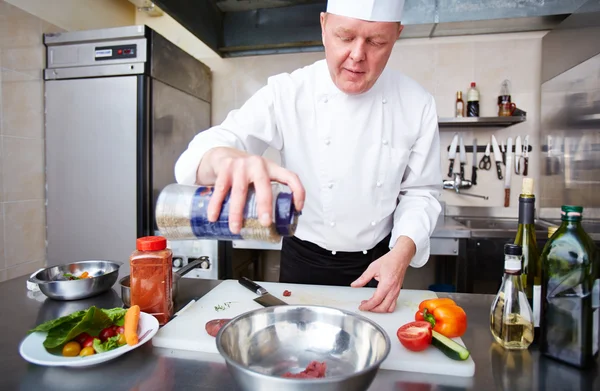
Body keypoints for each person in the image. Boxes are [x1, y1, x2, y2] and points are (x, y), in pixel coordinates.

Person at [174, 0, 442, 313]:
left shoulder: (416, 103)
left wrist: (403, 251)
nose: (357, 55)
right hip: (303, 262)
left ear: (397, 34)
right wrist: (224, 159)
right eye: (345, 37)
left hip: (380, 262)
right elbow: (205, 151)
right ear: (324, 26)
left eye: (376, 41)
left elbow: (421, 192)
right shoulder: (288, 92)